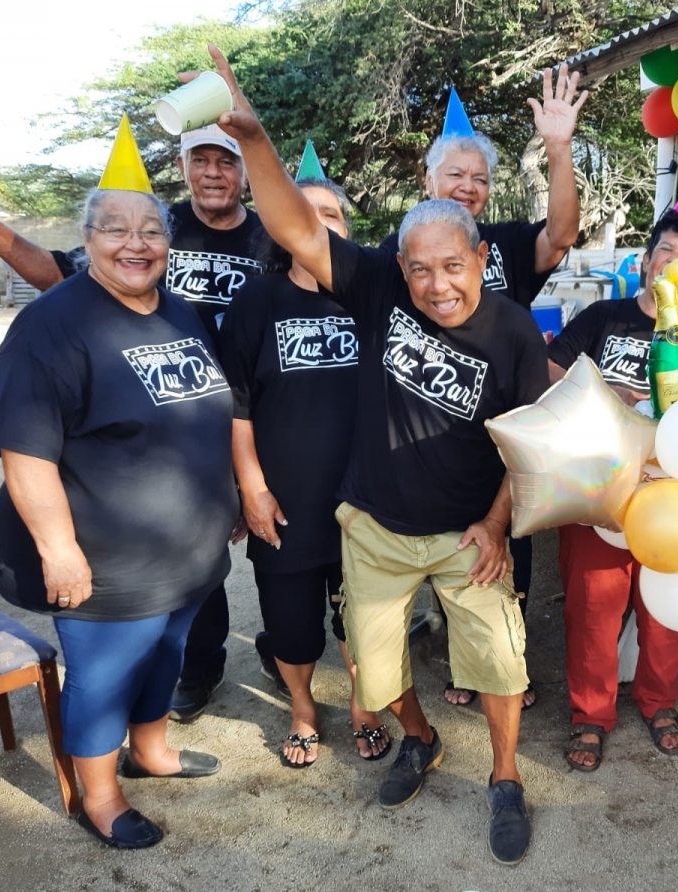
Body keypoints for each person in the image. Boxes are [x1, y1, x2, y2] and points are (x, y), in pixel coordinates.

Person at [203, 44, 549, 865]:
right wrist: (255, 140)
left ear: (478, 263)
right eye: (421, 268)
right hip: (375, 529)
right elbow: (293, 223)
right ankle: (419, 740)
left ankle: (505, 777)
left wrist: (498, 524)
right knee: (378, 668)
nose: (436, 286)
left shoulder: (511, 330)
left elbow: (527, 445)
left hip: (470, 532)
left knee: (502, 666)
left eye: (453, 268)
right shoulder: (375, 286)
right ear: (399, 267)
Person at [0, 125, 266, 724]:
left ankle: (199, 670)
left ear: (243, 172)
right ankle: (188, 684)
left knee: (200, 570)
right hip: (130, 423)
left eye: (225, 161)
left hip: (220, 418)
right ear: (184, 168)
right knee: (123, 636)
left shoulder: (263, 236)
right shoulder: (149, 224)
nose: (212, 172)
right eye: (199, 160)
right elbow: (60, 276)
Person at [0, 180, 239, 848]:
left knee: (165, 659)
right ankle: (101, 796)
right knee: (101, 678)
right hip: (108, 560)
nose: (136, 243)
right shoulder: (53, 324)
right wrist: (59, 550)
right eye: (116, 229)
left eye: (151, 231)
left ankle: (150, 752)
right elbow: (25, 450)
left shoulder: (178, 310)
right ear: (87, 239)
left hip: (187, 550)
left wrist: (228, 497)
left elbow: (208, 412)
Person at [375, 71, 587, 710]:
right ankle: (463, 659)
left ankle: (505, 664)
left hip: (502, 414)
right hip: (431, 414)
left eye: (481, 179)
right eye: (455, 176)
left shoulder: (510, 244)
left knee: (506, 545)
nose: (468, 187)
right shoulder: (401, 249)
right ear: (429, 183)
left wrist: (557, 150)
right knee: (448, 548)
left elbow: (564, 234)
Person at [548, 208, 678, 770]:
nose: (674, 263)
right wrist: (601, 388)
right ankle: (590, 715)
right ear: (646, 258)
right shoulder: (602, 317)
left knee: (666, 612)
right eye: (666, 250)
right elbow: (548, 370)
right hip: (603, 494)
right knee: (592, 608)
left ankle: (659, 702)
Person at [219, 176, 389, 766]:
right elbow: (238, 409)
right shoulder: (254, 304)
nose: (318, 224)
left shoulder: (371, 300)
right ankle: (302, 707)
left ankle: (365, 705)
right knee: (291, 626)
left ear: (345, 231)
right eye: (305, 213)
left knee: (361, 619)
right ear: (282, 227)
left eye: (331, 215)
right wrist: (252, 490)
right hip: (285, 502)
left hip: (362, 504)